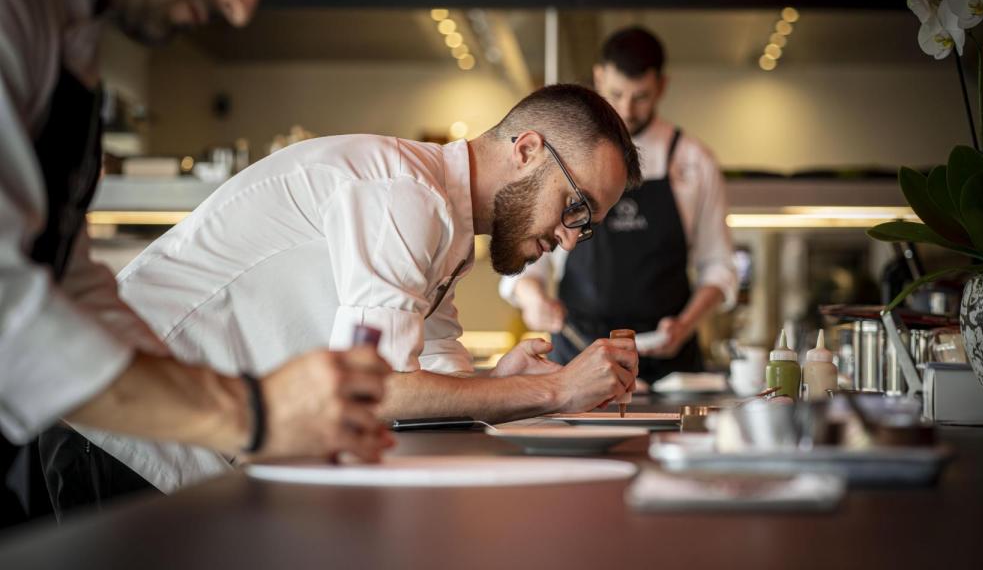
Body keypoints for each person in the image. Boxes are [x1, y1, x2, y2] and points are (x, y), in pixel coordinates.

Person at [81, 83, 644, 494]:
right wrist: (554, 392)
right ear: (526, 150)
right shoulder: (404, 194)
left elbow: (432, 391)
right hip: (119, 429)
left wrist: (502, 382)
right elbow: (384, 391)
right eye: (576, 207)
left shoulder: (446, 231)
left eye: (587, 224)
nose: (572, 240)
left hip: (181, 438)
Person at [0, 0, 391, 526]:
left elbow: (70, 280)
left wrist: (243, 425)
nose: (239, 11)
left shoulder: (75, 41)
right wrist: (252, 412)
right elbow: (9, 312)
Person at [500, 26, 737, 384]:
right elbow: (528, 253)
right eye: (616, 93)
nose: (626, 108)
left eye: (641, 97)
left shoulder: (694, 161)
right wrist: (532, 297)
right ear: (599, 77)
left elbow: (719, 266)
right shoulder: (564, 153)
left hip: (666, 366)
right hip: (577, 353)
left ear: (662, 85)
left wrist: (686, 325)